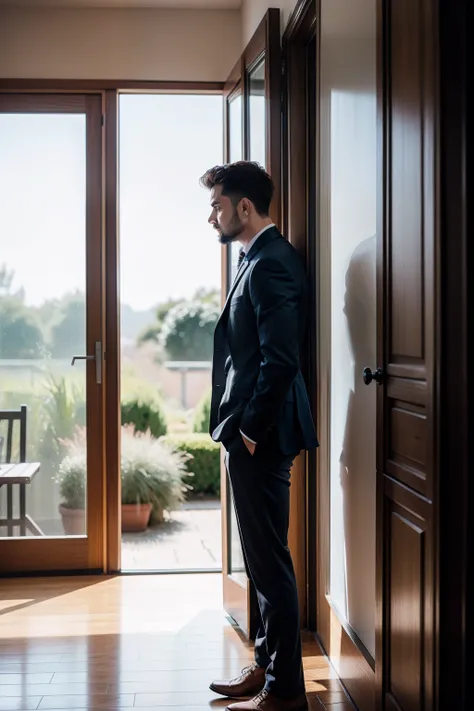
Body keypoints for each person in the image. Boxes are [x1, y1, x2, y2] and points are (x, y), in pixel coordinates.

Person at [199, 161, 318, 711]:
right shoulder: (257, 259)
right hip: (250, 430)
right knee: (259, 557)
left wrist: (248, 430)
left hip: (262, 434)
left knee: (270, 562)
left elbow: (280, 359)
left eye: (218, 206)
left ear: (245, 208)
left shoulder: (271, 263)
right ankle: (268, 665)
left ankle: (285, 688)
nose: (212, 217)